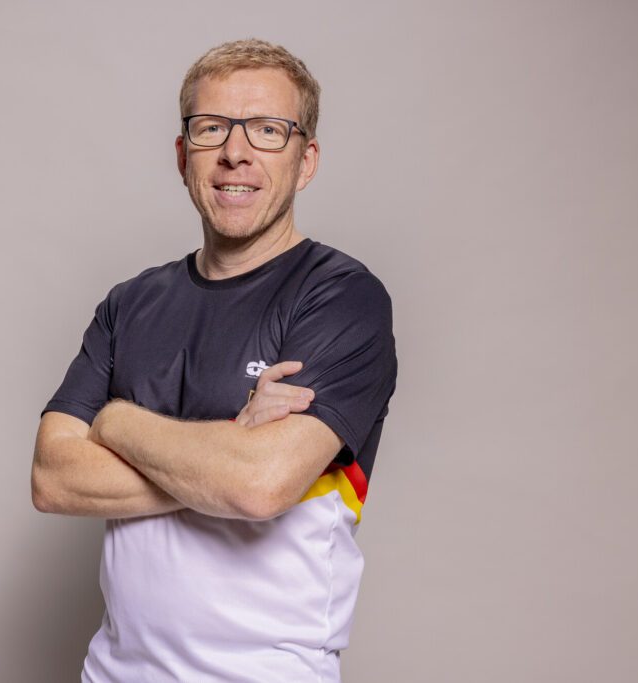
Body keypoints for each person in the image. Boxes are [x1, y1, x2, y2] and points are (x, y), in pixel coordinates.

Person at [32, 38, 398, 683]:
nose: (236, 152)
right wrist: (229, 446)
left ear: (305, 159)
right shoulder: (130, 303)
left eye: (267, 130)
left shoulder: (341, 297)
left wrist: (114, 423)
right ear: (183, 155)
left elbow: (258, 487)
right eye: (211, 129)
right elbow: (54, 478)